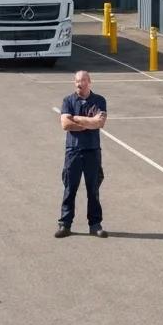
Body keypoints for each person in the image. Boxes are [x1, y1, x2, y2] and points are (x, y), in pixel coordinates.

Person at [56, 70, 107, 238]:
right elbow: (65, 124)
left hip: (92, 150)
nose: (79, 84)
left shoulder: (99, 100)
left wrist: (76, 119)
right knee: (70, 188)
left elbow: (99, 122)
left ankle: (95, 225)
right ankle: (65, 224)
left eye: (83, 81)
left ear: (89, 82)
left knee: (93, 189)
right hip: (73, 151)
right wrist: (87, 123)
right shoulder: (68, 100)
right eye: (77, 81)